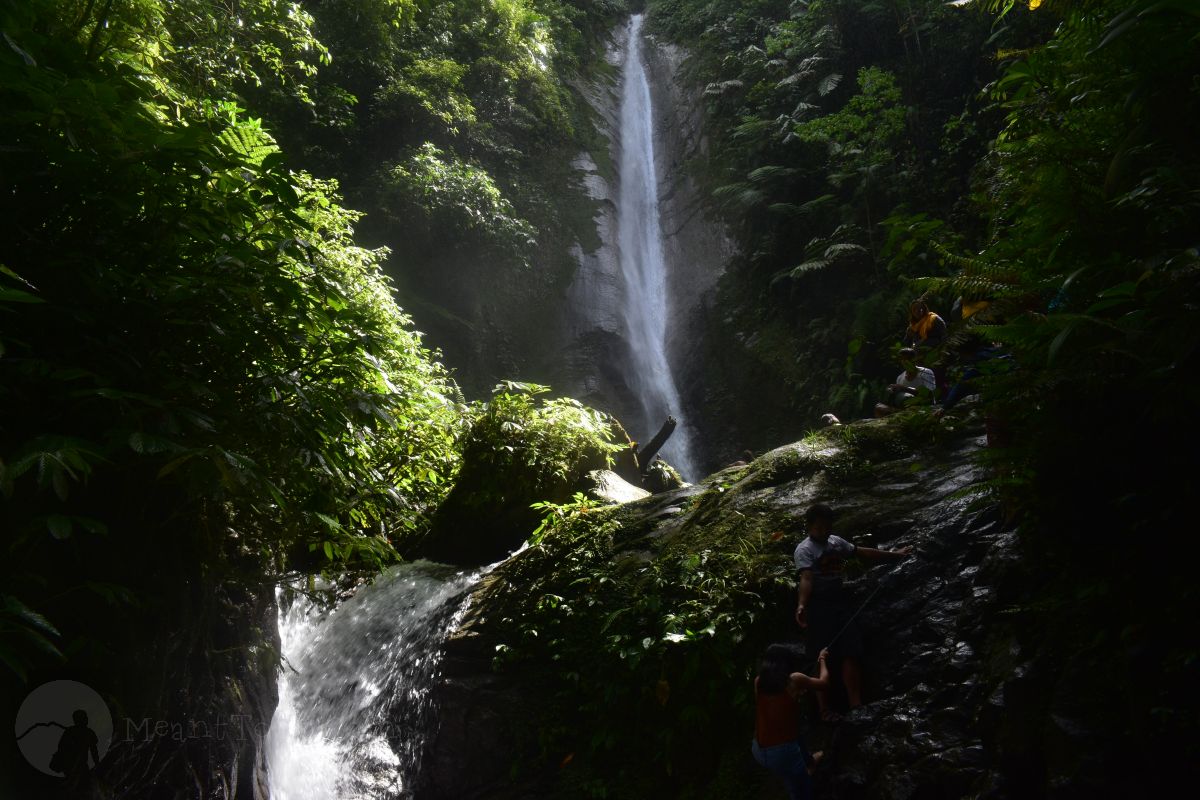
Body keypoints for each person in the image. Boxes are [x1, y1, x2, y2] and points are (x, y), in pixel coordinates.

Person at [794, 504, 911, 720]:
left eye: (827, 527)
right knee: (819, 656)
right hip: (818, 607)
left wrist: (894, 555)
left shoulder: (836, 542)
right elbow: (807, 578)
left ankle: (855, 704)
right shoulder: (805, 550)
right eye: (819, 527)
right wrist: (802, 604)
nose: (823, 531)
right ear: (809, 527)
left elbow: (861, 552)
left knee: (851, 650)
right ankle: (824, 710)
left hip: (841, 603)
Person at [752, 643, 830, 800]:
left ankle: (808, 761)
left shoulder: (759, 681)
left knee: (794, 734)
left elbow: (773, 711)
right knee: (801, 790)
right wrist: (822, 659)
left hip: (758, 749)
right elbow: (824, 683)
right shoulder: (794, 680)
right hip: (782, 754)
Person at [874, 347, 936, 417]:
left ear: (914, 359)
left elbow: (929, 394)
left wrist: (904, 388)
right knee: (879, 407)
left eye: (908, 359)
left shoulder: (925, 372)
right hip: (905, 407)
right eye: (903, 360)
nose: (905, 362)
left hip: (923, 406)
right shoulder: (900, 377)